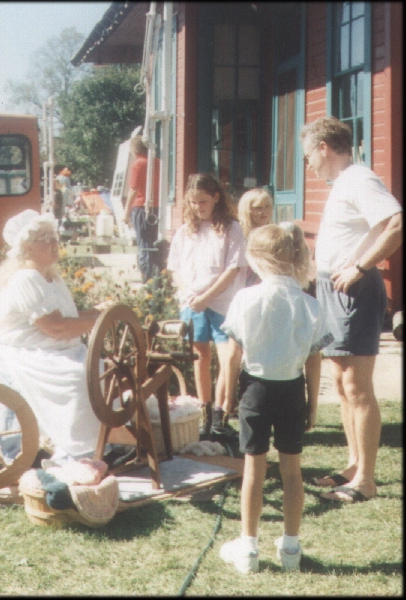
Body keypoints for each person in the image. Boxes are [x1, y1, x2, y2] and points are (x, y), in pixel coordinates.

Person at [217, 223, 334, 573]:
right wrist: (312, 403)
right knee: (292, 473)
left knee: (254, 470)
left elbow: (233, 355)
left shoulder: (245, 299)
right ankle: (291, 549)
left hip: (255, 390)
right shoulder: (310, 304)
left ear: (256, 260)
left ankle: (249, 548)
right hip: (292, 390)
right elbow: (315, 360)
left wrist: (225, 397)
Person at [301, 116, 402, 503]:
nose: (309, 163)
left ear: (324, 147)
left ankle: (366, 481)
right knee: (342, 385)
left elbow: (395, 224)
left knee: (357, 387)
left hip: (354, 291)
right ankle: (354, 465)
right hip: (332, 287)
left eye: (309, 155)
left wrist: (360, 267)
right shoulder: (344, 183)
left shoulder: (360, 179)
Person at [0, 209, 103, 463]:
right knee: (77, 377)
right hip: (22, 353)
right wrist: (98, 321)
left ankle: (102, 442)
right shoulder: (26, 278)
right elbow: (56, 328)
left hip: (51, 349)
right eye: (45, 239)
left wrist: (100, 311)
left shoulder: (50, 277)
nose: (54, 243)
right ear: (26, 247)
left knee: (100, 367)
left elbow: (66, 316)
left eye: (54, 237)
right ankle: (78, 449)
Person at [166, 173, 247, 438]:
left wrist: (207, 297)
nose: (198, 207)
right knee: (201, 357)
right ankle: (204, 413)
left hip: (223, 302)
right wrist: (190, 294)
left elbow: (233, 269)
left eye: (202, 201)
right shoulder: (185, 231)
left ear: (216, 197)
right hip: (192, 302)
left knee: (228, 359)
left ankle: (221, 415)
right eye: (192, 202)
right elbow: (175, 268)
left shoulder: (231, 228)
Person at [123, 136, 159, 282]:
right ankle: (154, 274)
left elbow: (133, 190)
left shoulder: (137, 164)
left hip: (141, 206)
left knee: (143, 242)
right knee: (153, 241)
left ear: (135, 149)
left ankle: (146, 275)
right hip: (157, 207)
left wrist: (126, 214)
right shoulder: (157, 163)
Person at [238, 188, 274, 287]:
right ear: (247, 211)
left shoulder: (273, 232)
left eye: (268, 207)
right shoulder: (240, 234)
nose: (264, 211)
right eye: (258, 208)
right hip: (245, 281)